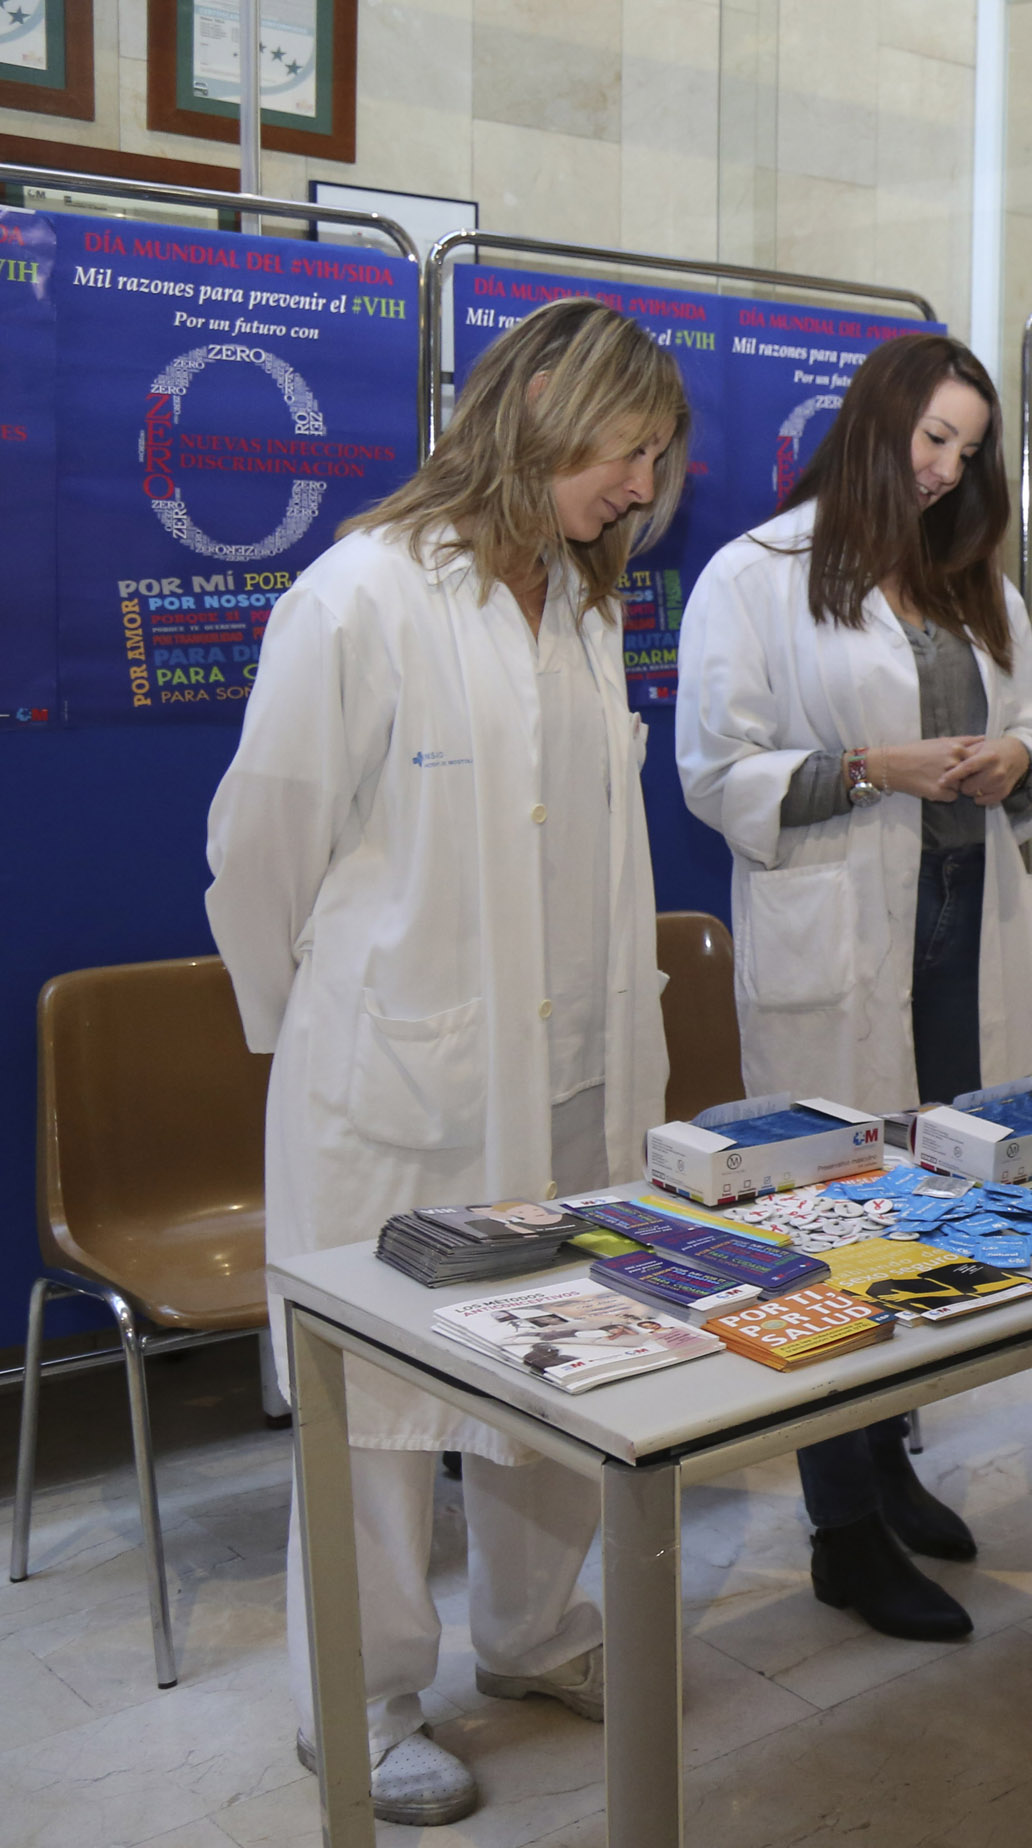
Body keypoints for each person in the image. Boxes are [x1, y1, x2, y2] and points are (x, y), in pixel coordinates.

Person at [207, 297, 687, 1827]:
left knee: (567, 1364)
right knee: (379, 1417)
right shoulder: (358, 596)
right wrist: (313, 1034)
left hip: (570, 1066)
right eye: (629, 449)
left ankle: (538, 1635)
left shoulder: (582, 610)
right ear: (539, 404)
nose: (642, 485)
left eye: (659, 461)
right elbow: (258, 847)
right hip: (395, 1080)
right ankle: (356, 1703)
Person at [676, 334, 1032, 1646]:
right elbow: (713, 768)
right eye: (929, 437)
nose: (945, 467)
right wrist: (870, 769)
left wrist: (1012, 760)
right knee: (826, 1230)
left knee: (943, 1208)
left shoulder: (979, 586)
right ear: (875, 424)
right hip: (845, 942)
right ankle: (841, 1528)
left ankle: (892, 1453)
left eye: (966, 446)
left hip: (969, 937)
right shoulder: (757, 576)